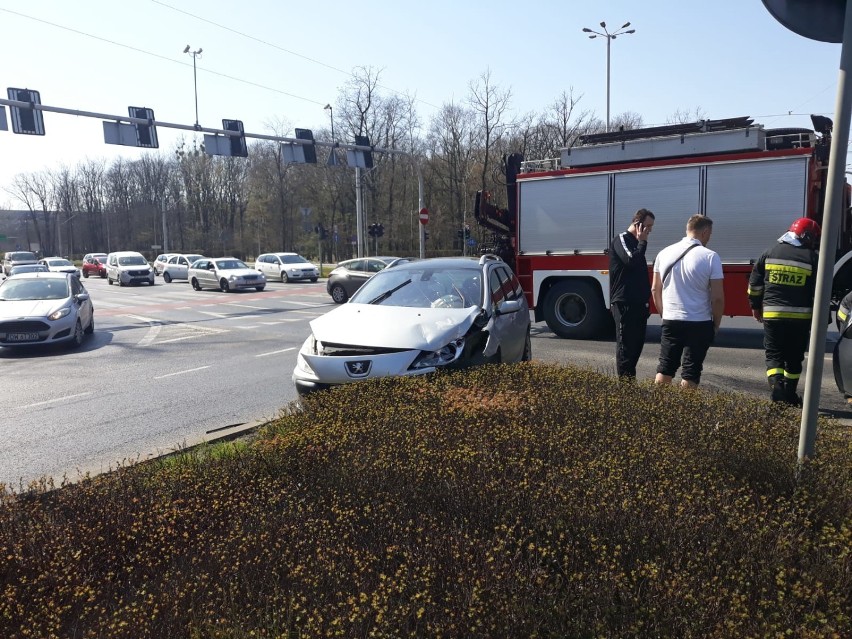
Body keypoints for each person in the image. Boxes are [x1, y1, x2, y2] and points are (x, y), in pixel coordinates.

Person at [747, 217, 820, 405]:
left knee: (774, 356)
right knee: (794, 358)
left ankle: (778, 392)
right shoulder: (812, 257)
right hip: (800, 319)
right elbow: (819, 290)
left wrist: (755, 307)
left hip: (773, 316)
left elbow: (754, 285)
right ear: (806, 236)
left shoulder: (769, 252)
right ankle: (790, 395)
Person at [651, 214, 724, 388]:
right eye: (710, 234)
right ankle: (684, 411)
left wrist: (664, 314)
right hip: (699, 322)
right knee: (691, 372)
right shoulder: (710, 257)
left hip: (671, 319)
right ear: (705, 232)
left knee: (665, 367)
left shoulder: (664, 253)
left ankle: (655, 409)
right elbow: (718, 297)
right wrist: (716, 324)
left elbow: (655, 289)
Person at [609, 208, 655, 378]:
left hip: (639, 305)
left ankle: (630, 386)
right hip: (624, 304)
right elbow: (630, 261)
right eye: (648, 226)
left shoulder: (637, 243)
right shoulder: (622, 239)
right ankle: (625, 390)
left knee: (636, 347)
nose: (650, 230)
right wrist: (642, 242)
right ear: (637, 224)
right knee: (625, 349)